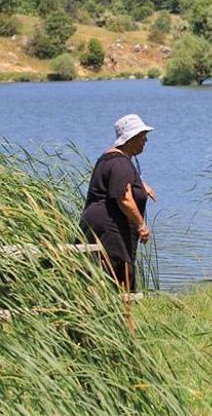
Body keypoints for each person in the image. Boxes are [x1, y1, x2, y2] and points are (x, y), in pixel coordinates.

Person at [80, 114, 156, 292]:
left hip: (97, 225)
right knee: (119, 277)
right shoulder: (120, 162)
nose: (145, 140)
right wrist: (141, 226)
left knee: (99, 275)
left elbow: (116, 182)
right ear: (130, 138)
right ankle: (122, 318)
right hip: (110, 229)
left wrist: (140, 185)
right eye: (142, 135)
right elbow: (124, 198)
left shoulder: (109, 159)